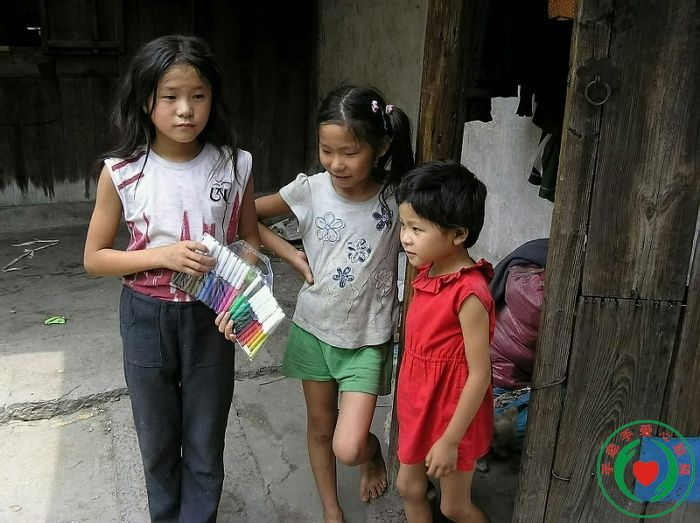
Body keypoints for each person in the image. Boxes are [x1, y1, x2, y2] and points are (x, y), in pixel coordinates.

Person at [83, 35, 260, 522]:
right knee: (158, 440)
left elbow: (248, 241)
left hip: (212, 317)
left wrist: (239, 303)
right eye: (170, 96)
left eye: (198, 95)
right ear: (146, 101)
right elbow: (94, 258)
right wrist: (163, 255)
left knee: (205, 439)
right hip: (146, 318)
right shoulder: (121, 172)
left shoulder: (234, 164)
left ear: (212, 98)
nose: (186, 109)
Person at [219, 85, 414, 522]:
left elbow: (425, 243)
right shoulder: (309, 190)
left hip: (367, 338)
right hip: (312, 330)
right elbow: (246, 215)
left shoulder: (396, 198)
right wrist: (289, 254)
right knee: (321, 428)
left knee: (349, 444)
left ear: (381, 147)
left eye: (350, 152)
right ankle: (331, 510)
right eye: (327, 151)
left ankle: (371, 454)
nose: (336, 163)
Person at [394, 161, 494, 523]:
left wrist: (451, 440)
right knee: (409, 487)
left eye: (417, 229)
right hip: (419, 403)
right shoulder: (427, 271)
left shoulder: (469, 293)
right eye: (404, 225)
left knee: (454, 507)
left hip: (453, 413)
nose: (406, 237)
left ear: (457, 234)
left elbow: (480, 374)